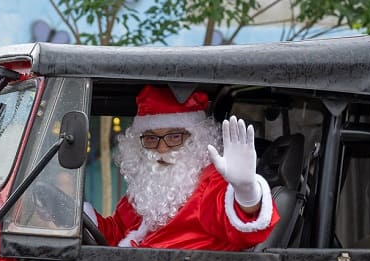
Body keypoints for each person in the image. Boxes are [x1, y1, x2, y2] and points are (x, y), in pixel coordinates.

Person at [89, 85, 278, 250]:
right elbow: (116, 234)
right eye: (151, 138)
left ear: (196, 138)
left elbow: (246, 230)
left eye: (174, 137)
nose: (161, 148)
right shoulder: (146, 189)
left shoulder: (212, 184)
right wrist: (77, 213)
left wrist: (246, 191)